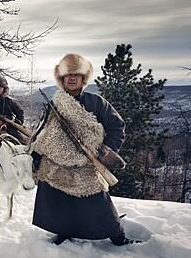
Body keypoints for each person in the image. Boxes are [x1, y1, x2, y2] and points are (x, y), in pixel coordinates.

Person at [30, 53, 138, 246]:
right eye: (67, 75)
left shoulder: (97, 103)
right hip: (57, 163)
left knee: (99, 203)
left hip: (87, 163)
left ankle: (118, 236)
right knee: (59, 200)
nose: (72, 79)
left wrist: (105, 152)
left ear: (83, 79)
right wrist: (36, 156)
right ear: (62, 79)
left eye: (76, 75)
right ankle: (64, 231)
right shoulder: (54, 104)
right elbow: (44, 133)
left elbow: (116, 128)